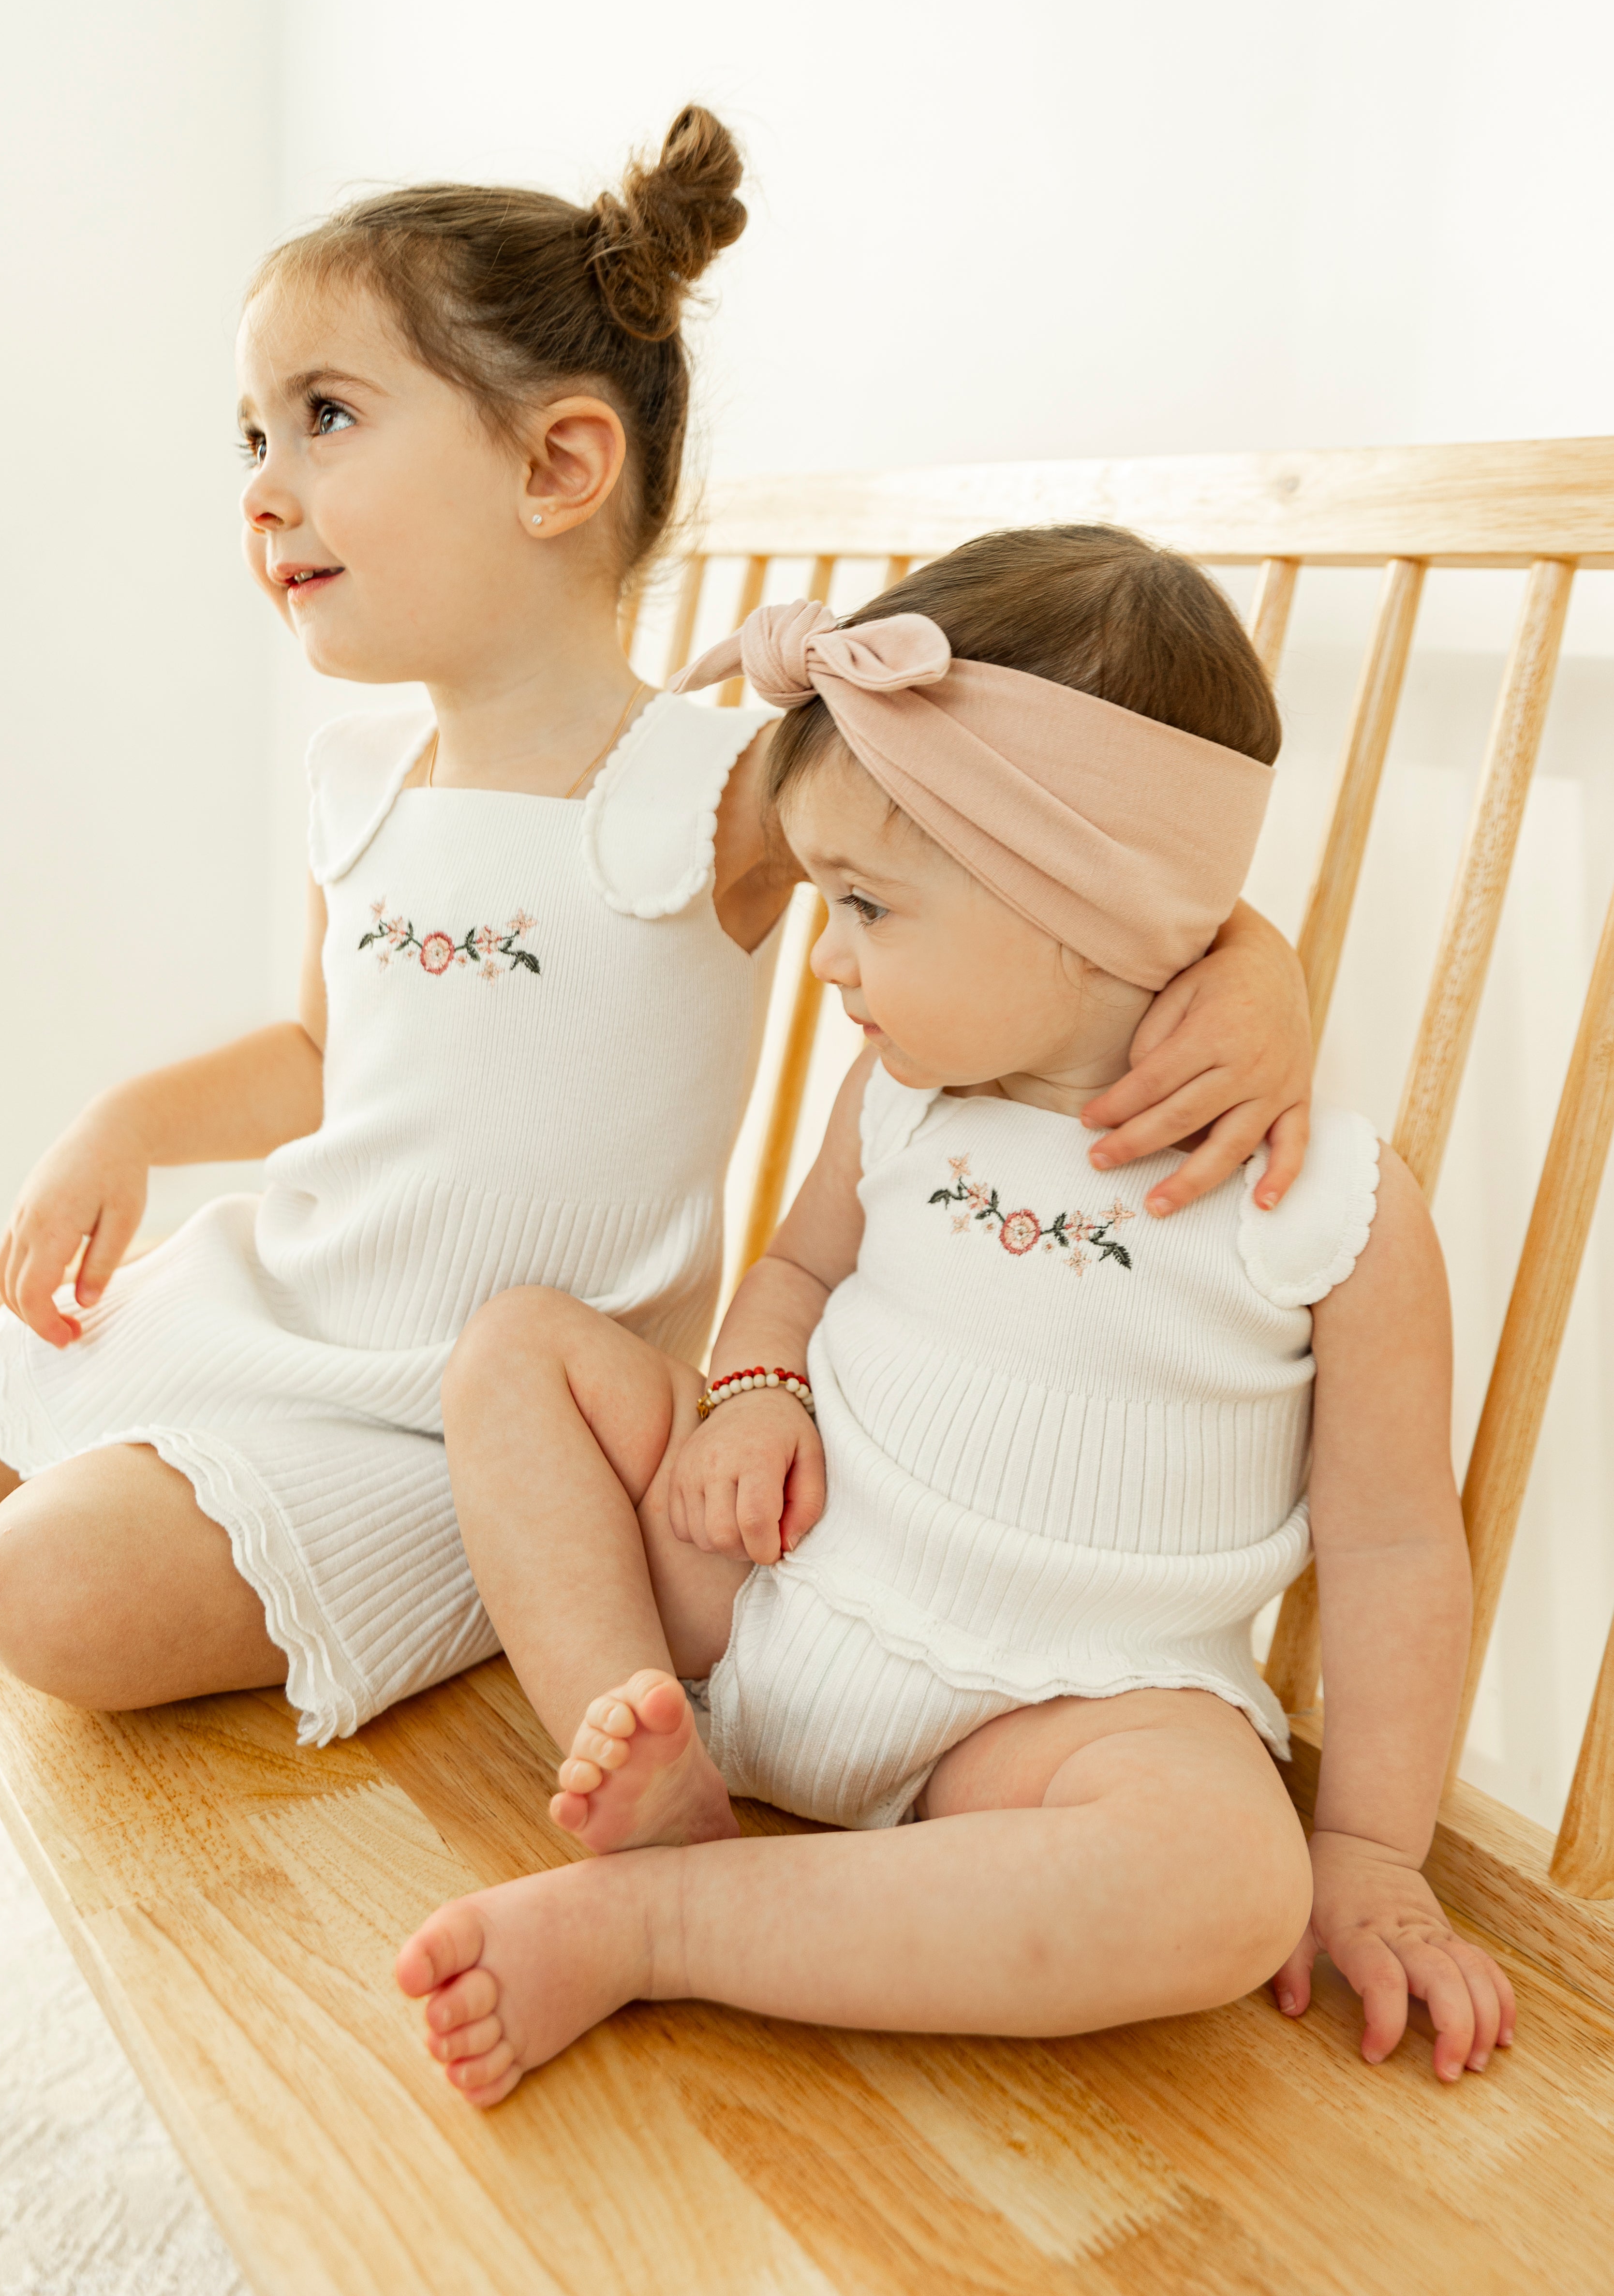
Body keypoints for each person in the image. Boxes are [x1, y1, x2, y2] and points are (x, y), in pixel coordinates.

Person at [0, 119, 1311, 1747]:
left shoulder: (717, 790)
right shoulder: (359, 773)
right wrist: (127, 1124)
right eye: (252, 437)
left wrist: (1252, 965)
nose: (265, 489)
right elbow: (316, 1054)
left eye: (325, 417)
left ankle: (460, 1560)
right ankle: (157, 1417)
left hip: (472, 1426)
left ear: (557, 467)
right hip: (278, 1300)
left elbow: (1051, 841)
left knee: (42, 1585)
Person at [396, 530, 1514, 2105]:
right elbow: (790, 1276)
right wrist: (757, 1388)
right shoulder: (902, 1096)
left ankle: (663, 1919)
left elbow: (1395, 1548)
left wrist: (1372, 1852)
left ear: (1078, 903)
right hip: (769, 1580)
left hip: (1043, 1725)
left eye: (864, 903)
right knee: (518, 1347)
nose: (827, 957)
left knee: (1230, 1879)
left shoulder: (1334, 1210)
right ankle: (630, 1729)